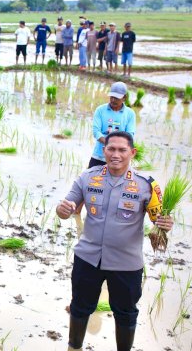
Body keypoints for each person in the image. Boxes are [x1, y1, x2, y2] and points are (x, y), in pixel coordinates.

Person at [56, 131, 173, 351]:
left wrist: (165, 224)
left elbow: (159, 223)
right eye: (111, 149)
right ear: (104, 150)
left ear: (132, 153)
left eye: (122, 150)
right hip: (88, 258)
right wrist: (62, 210)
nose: (116, 154)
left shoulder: (146, 185)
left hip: (126, 264)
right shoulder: (88, 177)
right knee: (79, 306)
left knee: (126, 312)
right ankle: (74, 346)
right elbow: (66, 207)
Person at [89, 82, 136, 168]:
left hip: (119, 159)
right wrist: (109, 143)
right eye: (112, 97)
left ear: (124, 97)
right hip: (99, 156)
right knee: (90, 180)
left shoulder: (130, 113)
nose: (113, 100)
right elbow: (96, 132)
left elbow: (130, 135)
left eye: (117, 98)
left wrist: (115, 145)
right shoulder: (100, 110)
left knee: (117, 181)